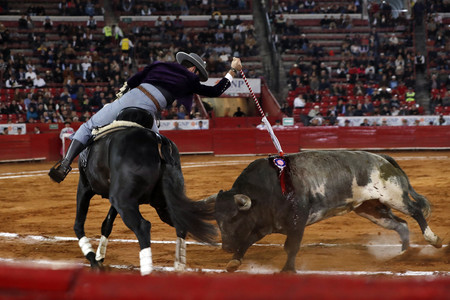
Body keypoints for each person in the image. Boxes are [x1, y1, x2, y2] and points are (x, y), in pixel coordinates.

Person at [49, 52, 242, 183]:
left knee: (88, 126)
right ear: (194, 69)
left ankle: (65, 164)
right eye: (198, 73)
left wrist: (123, 92)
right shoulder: (190, 79)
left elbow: (133, 80)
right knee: (161, 146)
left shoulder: (158, 65)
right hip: (150, 109)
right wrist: (232, 71)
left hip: (131, 98)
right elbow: (216, 90)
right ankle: (167, 181)